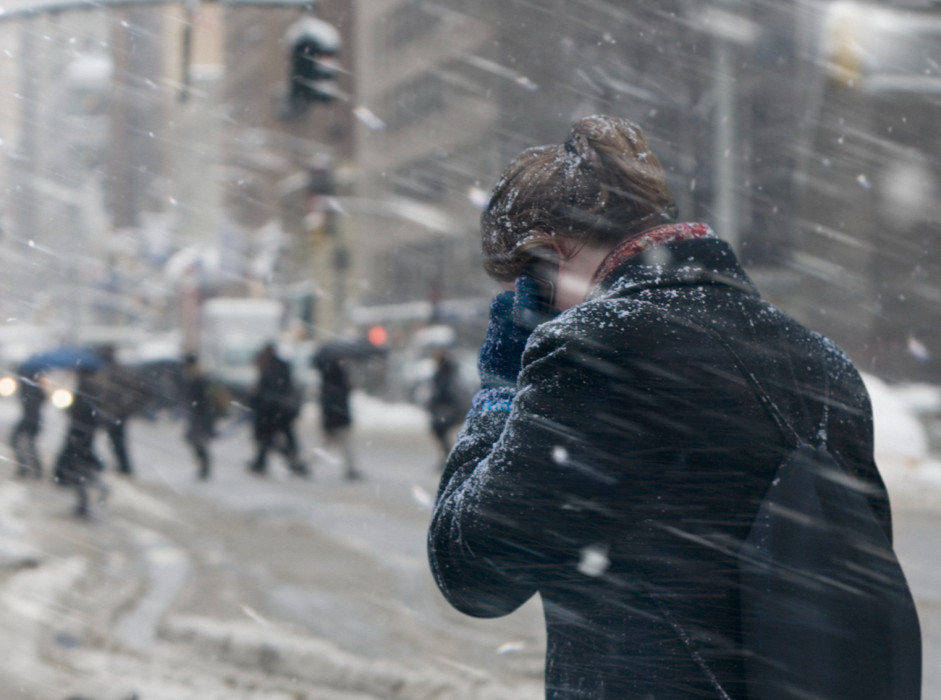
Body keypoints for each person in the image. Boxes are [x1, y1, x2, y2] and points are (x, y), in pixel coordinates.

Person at [427, 115, 919, 697]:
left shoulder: (594, 348)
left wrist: (498, 390)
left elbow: (473, 571)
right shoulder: (823, 363)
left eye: (522, 284)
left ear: (550, 254)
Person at [53, 367, 109, 518]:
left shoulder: (86, 389)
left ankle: (88, 502)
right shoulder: (90, 389)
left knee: (78, 471)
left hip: (79, 436)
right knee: (80, 470)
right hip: (82, 436)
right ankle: (85, 503)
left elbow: (81, 413)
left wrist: (70, 408)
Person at [247, 343, 308, 477]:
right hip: (281, 410)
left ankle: (267, 462)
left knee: (268, 438)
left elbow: (268, 389)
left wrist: (257, 398)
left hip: (272, 410)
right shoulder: (280, 366)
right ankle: (291, 460)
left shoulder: (269, 368)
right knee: (280, 437)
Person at [92, 346, 144, 477]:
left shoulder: (114, 372)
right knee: (114, 442)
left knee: (116, 442)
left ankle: (124, 468)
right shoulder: (105, 371)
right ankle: (122, 467)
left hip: (114, 414)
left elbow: (138, 393)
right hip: (111, 413)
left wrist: (123, 410)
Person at [315, 355, 361, 481]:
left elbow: (327, 405)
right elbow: (338, 402)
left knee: (327, 445)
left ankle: (309, 464)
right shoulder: (340, 383)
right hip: (339, 420)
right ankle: (350, 468)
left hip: (334, 420)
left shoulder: (328, 383)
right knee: (344, 446)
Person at [181, 353, 219, 480]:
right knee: (197, 441)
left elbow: (203, 400)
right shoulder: (199, 378)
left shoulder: (199, 380)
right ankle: (203, 467)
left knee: (198, 442)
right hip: (200, 416)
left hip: (201, 416)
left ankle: (204, 468)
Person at [424, 347, 463, 464]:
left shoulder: (446, 374)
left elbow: (446, 393)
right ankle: (447, 457)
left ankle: (448, 458)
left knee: (440, 431)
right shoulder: (444, 373)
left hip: (447, 410)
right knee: (440, 432)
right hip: (444, 409)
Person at [9, 367, 45, 479]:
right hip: (34, 419)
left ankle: (26, 468)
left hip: (30, 419)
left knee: (17, 441)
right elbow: (42, 400)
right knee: (29, 444)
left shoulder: (27, 386)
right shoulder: (35, 386)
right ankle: (34, 469)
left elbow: (30, 404)